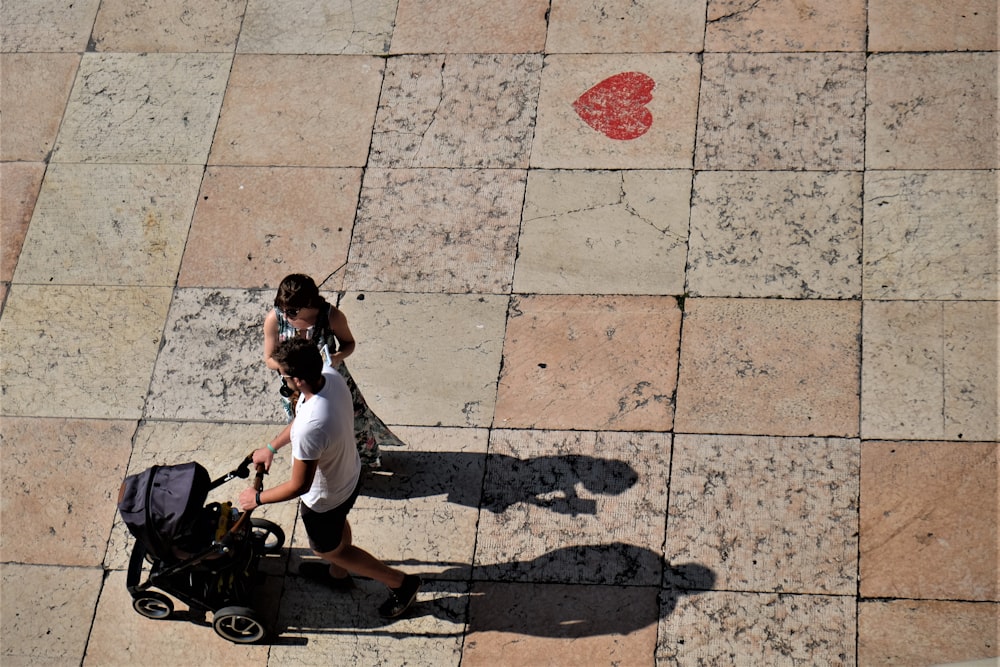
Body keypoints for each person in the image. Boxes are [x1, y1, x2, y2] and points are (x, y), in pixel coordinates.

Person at [238, 337, 421, 618]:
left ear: (298, 380)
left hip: (325, 497)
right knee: (336, 531)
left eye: (283, 375)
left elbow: (300, 484)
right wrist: (271, 448)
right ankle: (338, 575)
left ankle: (401, 583)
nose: (282, 380)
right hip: (351, 473)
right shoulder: (330, 377)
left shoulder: (311, 429)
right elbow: (301, 419)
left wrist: (257, 498)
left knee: (326, 548)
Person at [264, 273, 404, 467]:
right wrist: (289, 366)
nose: (286, 315)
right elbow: (269, 358)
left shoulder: (331, 316)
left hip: (331, 381)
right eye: (282, 308)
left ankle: (360, 463)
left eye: (293, 311)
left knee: (353, 424)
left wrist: (337, 357)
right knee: (307, 428)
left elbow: (349, 343)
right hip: (296, 388)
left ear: (309, 304)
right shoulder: (275, 318)